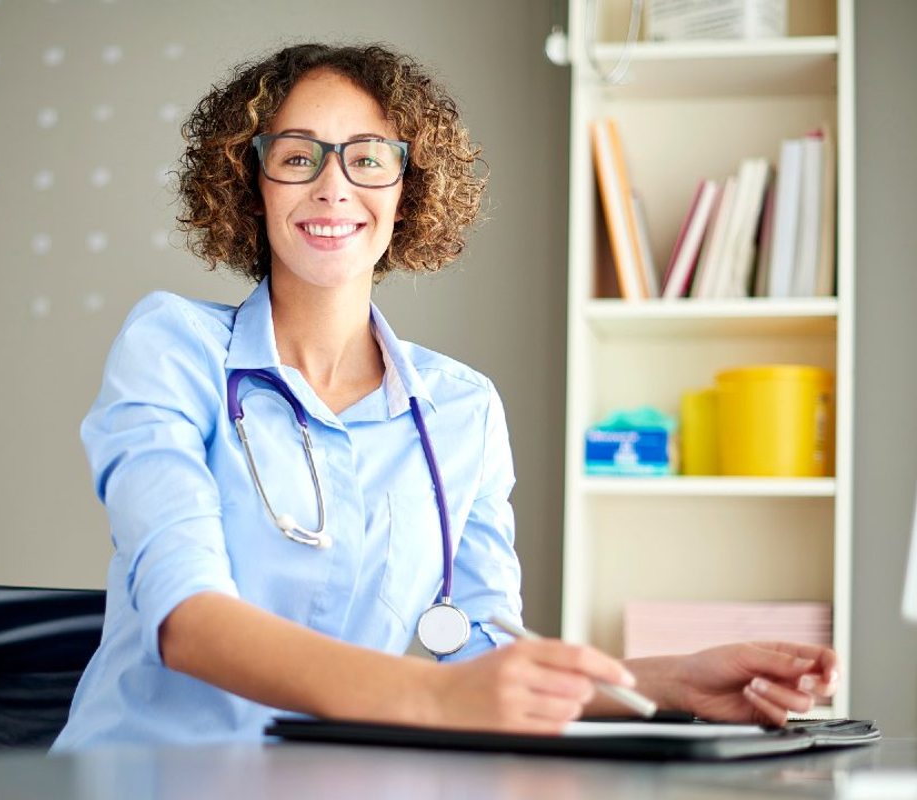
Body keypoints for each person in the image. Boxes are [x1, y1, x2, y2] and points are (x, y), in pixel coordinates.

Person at [51, 43, 837, 750]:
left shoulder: (461, 410)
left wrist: (662, 685)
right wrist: (435, 696)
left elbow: (483, 652)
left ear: (407, 187)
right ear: (251, 185)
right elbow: (187, 620)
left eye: (368, 158)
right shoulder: (172, 348)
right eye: (297, 157)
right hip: (144, 775)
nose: (333, 186)